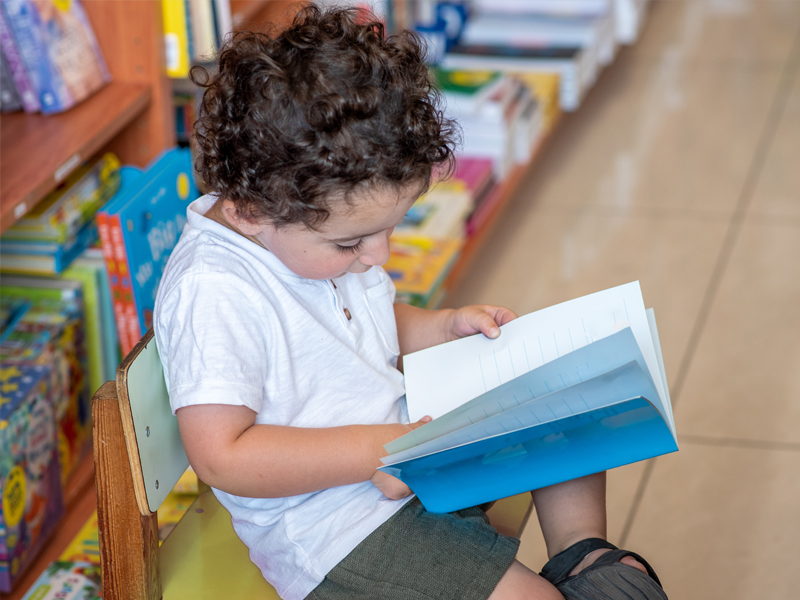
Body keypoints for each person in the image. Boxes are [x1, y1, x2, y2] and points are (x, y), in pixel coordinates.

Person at [154, 5, 667, 600]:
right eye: (352, 243)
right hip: (334, 529)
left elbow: (360, 330)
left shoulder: (304, 230)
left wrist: (443, 327)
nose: (380, 255)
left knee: (557, 390)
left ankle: (580, 550)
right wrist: (382, 450)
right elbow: (224, 457)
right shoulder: (213, 289)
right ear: (250, 210)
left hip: (404, 457)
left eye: (390, 229)